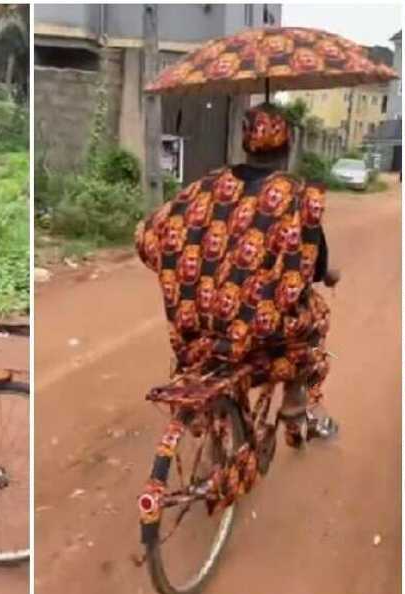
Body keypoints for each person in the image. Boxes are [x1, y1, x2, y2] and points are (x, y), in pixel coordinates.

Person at [135, 102, 339, 443]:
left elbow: (151, 233)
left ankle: (199, 407)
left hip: (200, 325)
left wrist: (187, 276)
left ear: (244, 143)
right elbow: (311, 264)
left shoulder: (206, 186)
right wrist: (326, 274)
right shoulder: (297, 195)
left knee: (198, 353)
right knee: (316, 318)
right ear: (288, 145)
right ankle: (294, 397)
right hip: (260, 331)